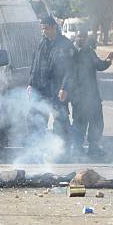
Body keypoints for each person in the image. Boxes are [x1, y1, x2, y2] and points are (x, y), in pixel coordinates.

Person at [27, 16, 76, 158]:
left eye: (46, 28)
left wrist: (64, 88)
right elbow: (34, 64)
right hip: (40, 90)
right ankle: (39, 151)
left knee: (61, 122)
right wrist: (30, 83)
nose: (44, 32)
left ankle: (62, 153)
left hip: (56, 90)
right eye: (42, 29)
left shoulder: (65, 45)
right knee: (35, 120)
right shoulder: (42, 43)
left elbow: (70, 69)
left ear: (54, 27)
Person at [71, 30, 113, 157]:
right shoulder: (71, 53)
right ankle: (77, 149)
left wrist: (108, 60)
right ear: (76, 37)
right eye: (80, 36)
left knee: (96, 121)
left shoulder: (89, 51)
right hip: (78, 95)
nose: (82, 39)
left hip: (92, 94)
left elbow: (99, 65)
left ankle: (93, 148)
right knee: (79, 122)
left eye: (84, 37)